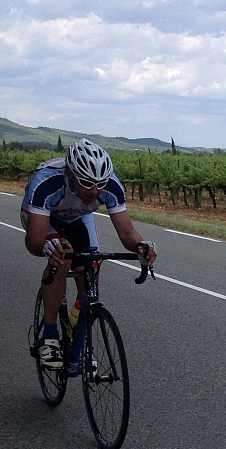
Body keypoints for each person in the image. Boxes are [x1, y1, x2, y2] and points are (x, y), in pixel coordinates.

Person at [21, 139, 157, 368]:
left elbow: (127, 234)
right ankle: (50, 337)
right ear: (70, 174)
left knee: (90, 268)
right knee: (63, 256)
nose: (95, 192)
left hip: (78, 218)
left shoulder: (111, 187)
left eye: (100, 184)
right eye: (86, 183)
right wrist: (46, 246)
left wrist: (142, 246)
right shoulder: (46, 183)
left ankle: (78, 334)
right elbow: (33, 243)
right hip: (45, 218)